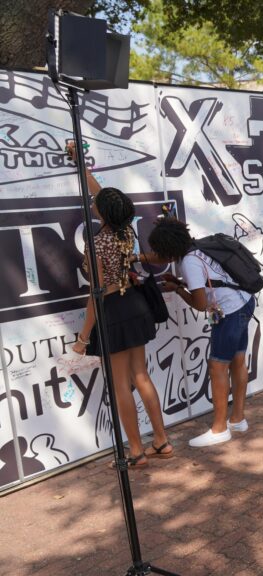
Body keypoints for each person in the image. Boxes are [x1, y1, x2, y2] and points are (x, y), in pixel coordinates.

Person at [67, 144, 173, 467]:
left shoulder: (97, 243)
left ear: (100, 212)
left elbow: (97, 294)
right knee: (141, 376)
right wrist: (81, 166)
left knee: (119, 385)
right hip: (135, 306)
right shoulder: (125, 230)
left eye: (97, 204)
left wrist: (82, 339)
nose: (94, 203)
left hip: (113, 311)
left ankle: (136, 452)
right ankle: (162, 441)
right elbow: (102, 195)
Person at [147, 218, 256, 447]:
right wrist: (180, 283)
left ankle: (219, 429)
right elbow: (212, 282)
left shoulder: (189, 262)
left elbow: (199, 304)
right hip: (245, 301)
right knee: (237, 360)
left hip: (230, 312)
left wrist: (177, 289)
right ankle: (237, 419)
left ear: (169, 248)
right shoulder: (198, 249)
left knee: (218, 366)